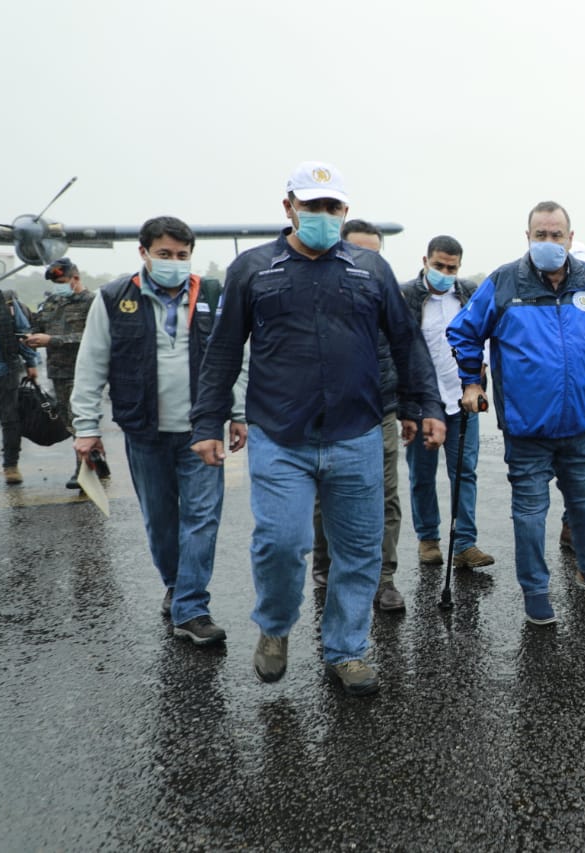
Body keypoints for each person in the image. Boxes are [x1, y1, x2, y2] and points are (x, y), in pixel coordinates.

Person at [189, 161, 444, 697]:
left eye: (333, 208)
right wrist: (208, 420)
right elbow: (223, 351)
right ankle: (276, 627)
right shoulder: (253, 269)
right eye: (312, 207)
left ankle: (346, 651)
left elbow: (406, 343)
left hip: (357, 434)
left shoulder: (369, 270)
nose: (323, 216)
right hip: (281, 436)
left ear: (344, 211)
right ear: (289, 208)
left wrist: (427, 408)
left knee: (358, 550)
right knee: (282, 542)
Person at [447, 201, 585, 626]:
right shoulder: (503, 281)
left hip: (580, 421)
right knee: (530, 511)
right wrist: (472, 383)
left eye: (557, 234)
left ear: (569, 236)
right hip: (527, 425)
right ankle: (535, 588)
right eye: (540, 235)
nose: (549, 242)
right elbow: (465, 332)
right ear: (528, 237)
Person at [71, 217, 247, 646]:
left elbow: (234, 356)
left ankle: (192, 609)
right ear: (144, 252)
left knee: (202, 519)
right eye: (164, 254)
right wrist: (86, 426)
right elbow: (92, 362)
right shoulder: (114, 298)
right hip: (144, 429)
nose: (174, 263)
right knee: (162, 521)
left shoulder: (211, 294)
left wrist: (238, 412)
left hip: (201, 431)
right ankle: (176, 584)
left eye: (182, 255)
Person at [307, 219, 408, 612]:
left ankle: (384, 580)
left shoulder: (388, 295)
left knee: (385, 497)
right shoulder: (313, 293)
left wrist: (411, 408)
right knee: (326, 498)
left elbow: (405, 351)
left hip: (377, 411)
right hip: (322, 414)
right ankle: (326, 566)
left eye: (374, 256)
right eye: (358, 253)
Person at [401, 235, 494, 571]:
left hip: (463, 400)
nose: (444, 272)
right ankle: (428, 539)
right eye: (438, 265)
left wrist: (480, 380)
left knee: (464, 473)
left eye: (451, 267)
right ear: (425, 261)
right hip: (425, 403)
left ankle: (465, 543)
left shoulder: (468, 292)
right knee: (422, 475)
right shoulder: (406, 296)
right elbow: (399, 349)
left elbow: (484, 335)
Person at [26, 257, 95, 488]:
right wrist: (32, 338)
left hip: (83, 371)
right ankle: (95, 460)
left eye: (62, 281)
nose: (58, 286)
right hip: (58, 371)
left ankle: (83, 470)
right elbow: (38, 325)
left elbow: (92, 338)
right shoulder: (51, 303)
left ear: (75, 278)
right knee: (67, 419)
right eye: (55, 282)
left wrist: (52, 340)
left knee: (79, 420)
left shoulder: (91, 302)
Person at [0, 255, 39, 484]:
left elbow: (22, 331)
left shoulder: (4, 299)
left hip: (4, 366)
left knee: (10, 418)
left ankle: (11, 466)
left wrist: (31, 363)